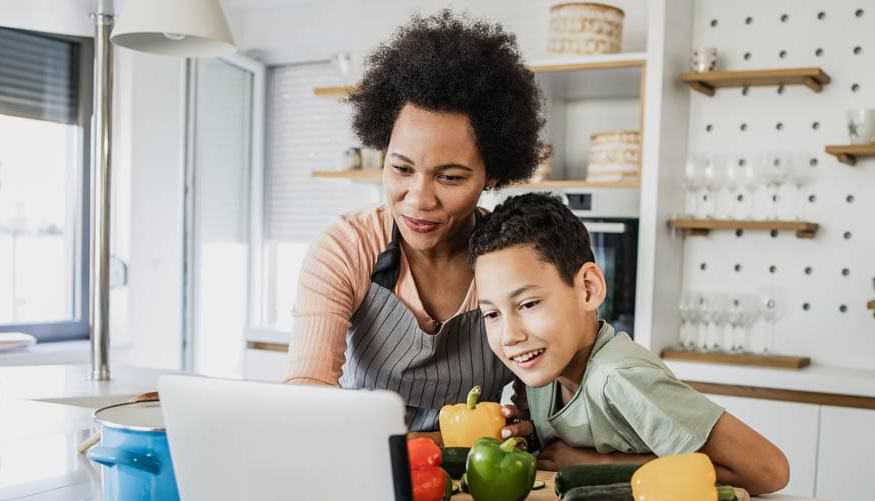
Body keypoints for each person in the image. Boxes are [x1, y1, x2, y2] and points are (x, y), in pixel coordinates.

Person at [283, 10, 549, 437]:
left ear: (492, 174)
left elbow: (542, 402)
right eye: (402, 169)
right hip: (360, 463)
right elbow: (307, 390)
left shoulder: (515, 258)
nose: (418, 200)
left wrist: (528, 424)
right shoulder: (346, 248)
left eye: (450, 177)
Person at [468, 193, 790, 495]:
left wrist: (599, 464)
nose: (509, 335)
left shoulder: (620, 378)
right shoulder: (544, 369)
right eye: (492, 314)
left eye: (528, 304)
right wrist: (527, 435)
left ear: (589, 288)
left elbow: (769, 470)